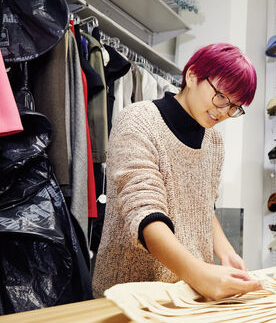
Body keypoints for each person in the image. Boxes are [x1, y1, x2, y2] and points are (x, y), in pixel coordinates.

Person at [93, 43, 262, 299]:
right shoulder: (139, 119)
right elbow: (144, 213)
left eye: (234, 107)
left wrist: (227, 253)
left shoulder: (214, 141)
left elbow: (203, 205)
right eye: (221, 97)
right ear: (192, 75)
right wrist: (200, 273)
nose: (223, 111)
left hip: (188, 289)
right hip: (131, 291)